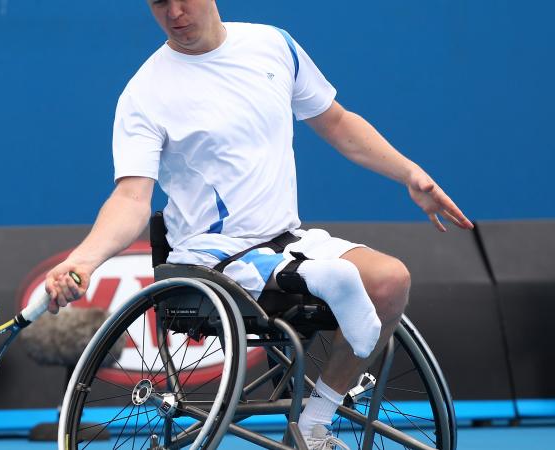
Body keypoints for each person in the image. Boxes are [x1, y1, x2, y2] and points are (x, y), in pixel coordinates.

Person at [44, 0, 472, 448]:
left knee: (391, 280)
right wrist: (84, 260)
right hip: (209, 257)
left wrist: (410, 173)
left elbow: (338, 123)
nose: (173, 12)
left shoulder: (273, 45)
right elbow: (131, 198)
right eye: (158, 3)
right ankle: (317, 276)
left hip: (287, 239)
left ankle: (315, 421)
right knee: (307, 273)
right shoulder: (144, 93)